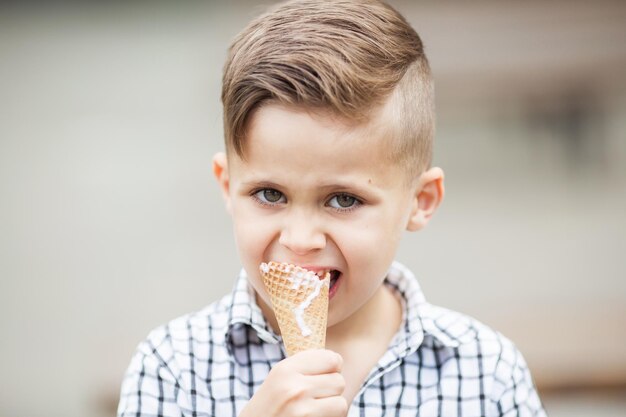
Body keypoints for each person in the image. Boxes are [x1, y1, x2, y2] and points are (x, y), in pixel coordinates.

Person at [117, 0, 546, 416]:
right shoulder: (173, 368)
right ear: (228, 185)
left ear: (421, 201)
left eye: (343, 200)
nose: (300, 241)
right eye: (270, 194)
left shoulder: (485, 373)